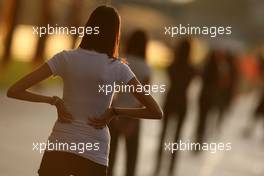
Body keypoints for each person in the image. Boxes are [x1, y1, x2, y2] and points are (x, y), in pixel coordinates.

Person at [6, 6, 163, 176]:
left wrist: (54, 101)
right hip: (94, 151)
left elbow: (14, 90)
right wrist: (115, 112)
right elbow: (156, 112)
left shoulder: (65, 58)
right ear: (114, 35)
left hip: (60, 144)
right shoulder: (118, 68)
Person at [108, 30, 151, 176]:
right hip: (134, 114)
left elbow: (110, 90)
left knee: (109, 158)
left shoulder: (121, 62)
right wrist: (132, 122)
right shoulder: (146, 67)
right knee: (131, 160)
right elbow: (144, 99)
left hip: (114, 113)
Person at [155, 38, 195, 176]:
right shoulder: (192, 69)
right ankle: (171, 168)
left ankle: (158, 165)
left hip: (170, 100)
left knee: (163, 135)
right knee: (177, 138)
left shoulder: (172, 66)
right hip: (183, 103)